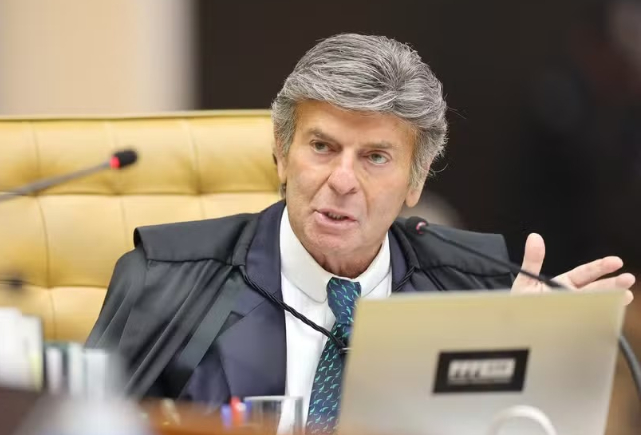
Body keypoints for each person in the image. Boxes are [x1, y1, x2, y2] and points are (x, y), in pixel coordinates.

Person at [86, 33, 635, 433]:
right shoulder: (165, 280)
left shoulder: (478, 291)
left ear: (415, 180)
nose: (342, 180)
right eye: (322, 147)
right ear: (281, 153)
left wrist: (534, 359)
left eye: (375, 157)